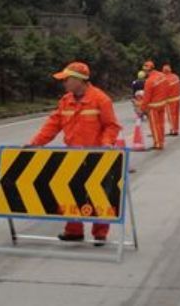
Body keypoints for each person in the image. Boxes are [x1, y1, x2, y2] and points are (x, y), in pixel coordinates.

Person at [27, 62, 122, 246]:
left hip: (96, 156)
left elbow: (111, 126)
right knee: (71, 193)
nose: (64, 83)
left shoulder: (101, 99)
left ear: (79, 80)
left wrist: (106, 145)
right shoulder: (65, 101)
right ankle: (74, 231)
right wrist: (34, 144)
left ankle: (100, 233)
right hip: (72, 156)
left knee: (98, 194)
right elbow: (53, 125)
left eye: (67, 79)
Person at [139, 60, 168, 150]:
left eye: (145, 70)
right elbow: (167, 87)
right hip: (162, 104)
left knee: (155, 125)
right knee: (161, 124)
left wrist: (142, 108)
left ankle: (158, 143)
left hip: (153, 106)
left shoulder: (149, 81)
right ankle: (162, 141)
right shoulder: (162, 76)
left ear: (147, 70)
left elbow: (146, 97)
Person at [162, 64, 180, 136]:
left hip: (170, 100)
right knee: (176, 115)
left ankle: (173, 130)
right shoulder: (176, 76)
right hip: (178, 98)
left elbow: (164, 91)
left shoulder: (164, 79)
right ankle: (176, 129)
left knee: (171, 116)